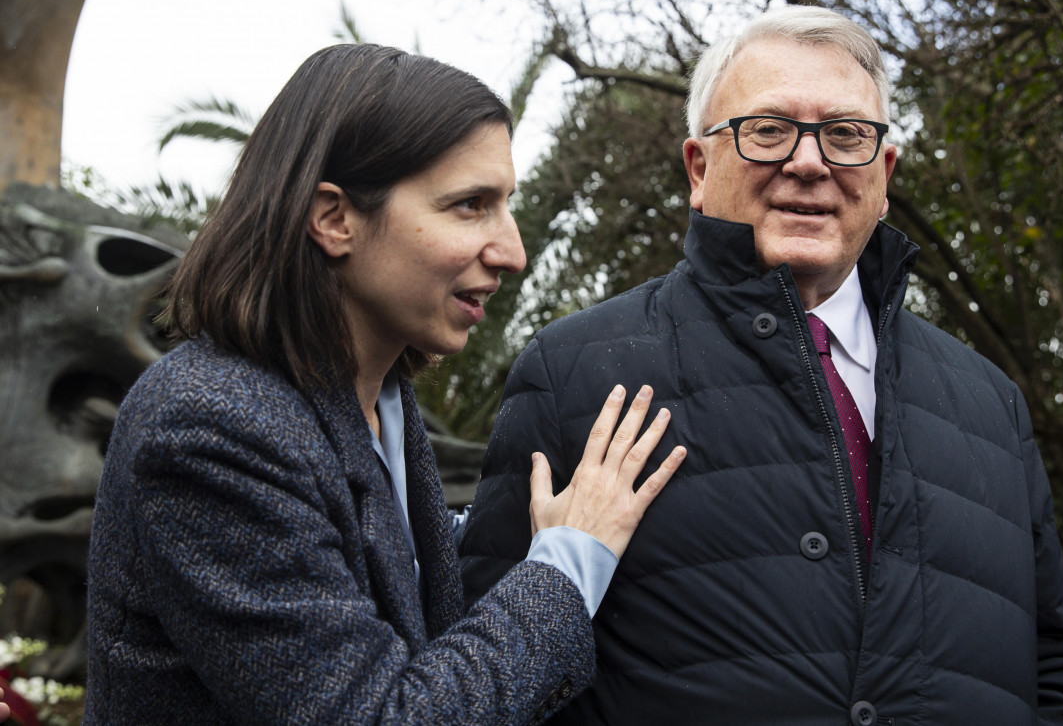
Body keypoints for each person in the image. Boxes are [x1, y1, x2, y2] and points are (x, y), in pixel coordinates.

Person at [459, 6, 1063, 724]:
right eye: (769, 130)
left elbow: (1061, 664)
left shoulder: (992, 405)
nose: (810, 162)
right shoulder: (573, 374)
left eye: (846, 135)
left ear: (883, 172)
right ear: (699, 168)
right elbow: (488, 679)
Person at [83, 44, 685, 724]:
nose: (512, 252)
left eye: (506, 205)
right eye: (470, 205)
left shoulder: (381, 406)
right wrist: (572, 560)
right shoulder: (209, 428)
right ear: (335, 218)